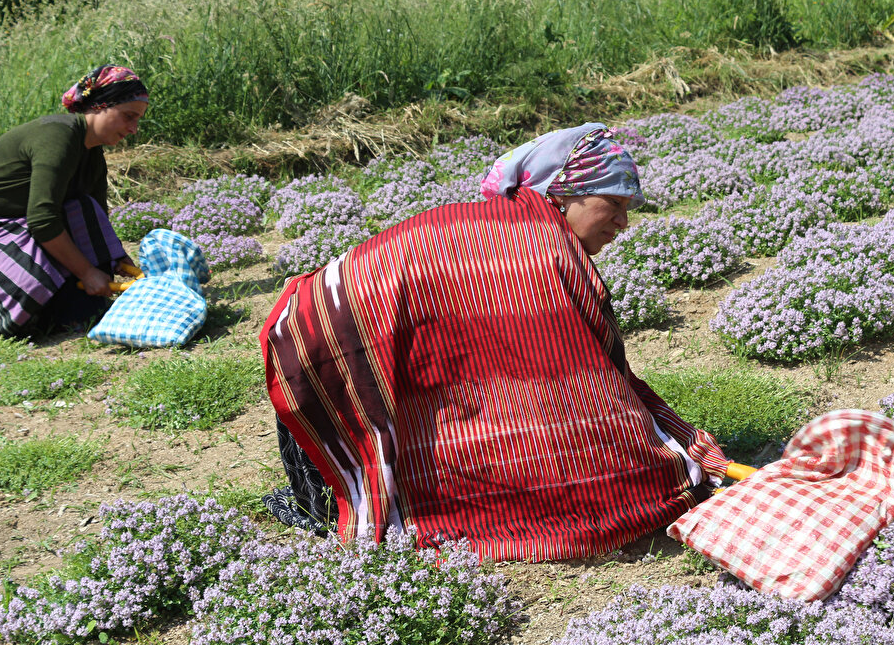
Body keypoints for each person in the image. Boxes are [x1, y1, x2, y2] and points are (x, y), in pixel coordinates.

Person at [260, 122, 729, 561]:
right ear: (566, 195)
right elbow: (576, 391)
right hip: (333, 377)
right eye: (615, 204)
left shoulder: (525, 230)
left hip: (311, 347)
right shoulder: (541, 243)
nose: (623, 223)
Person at [0, 65, 148, 339]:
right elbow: (43, 220)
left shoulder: (92, 155)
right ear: (100, 105)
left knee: (83, 209)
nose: (134, 129)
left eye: (137, 120)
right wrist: (88, 272)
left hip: (11, 220)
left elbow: (95, 218)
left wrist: (117, 259)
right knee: (30, 293)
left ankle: (75, 314)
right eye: (129, 117)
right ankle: (46, 312)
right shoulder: (59, 136)